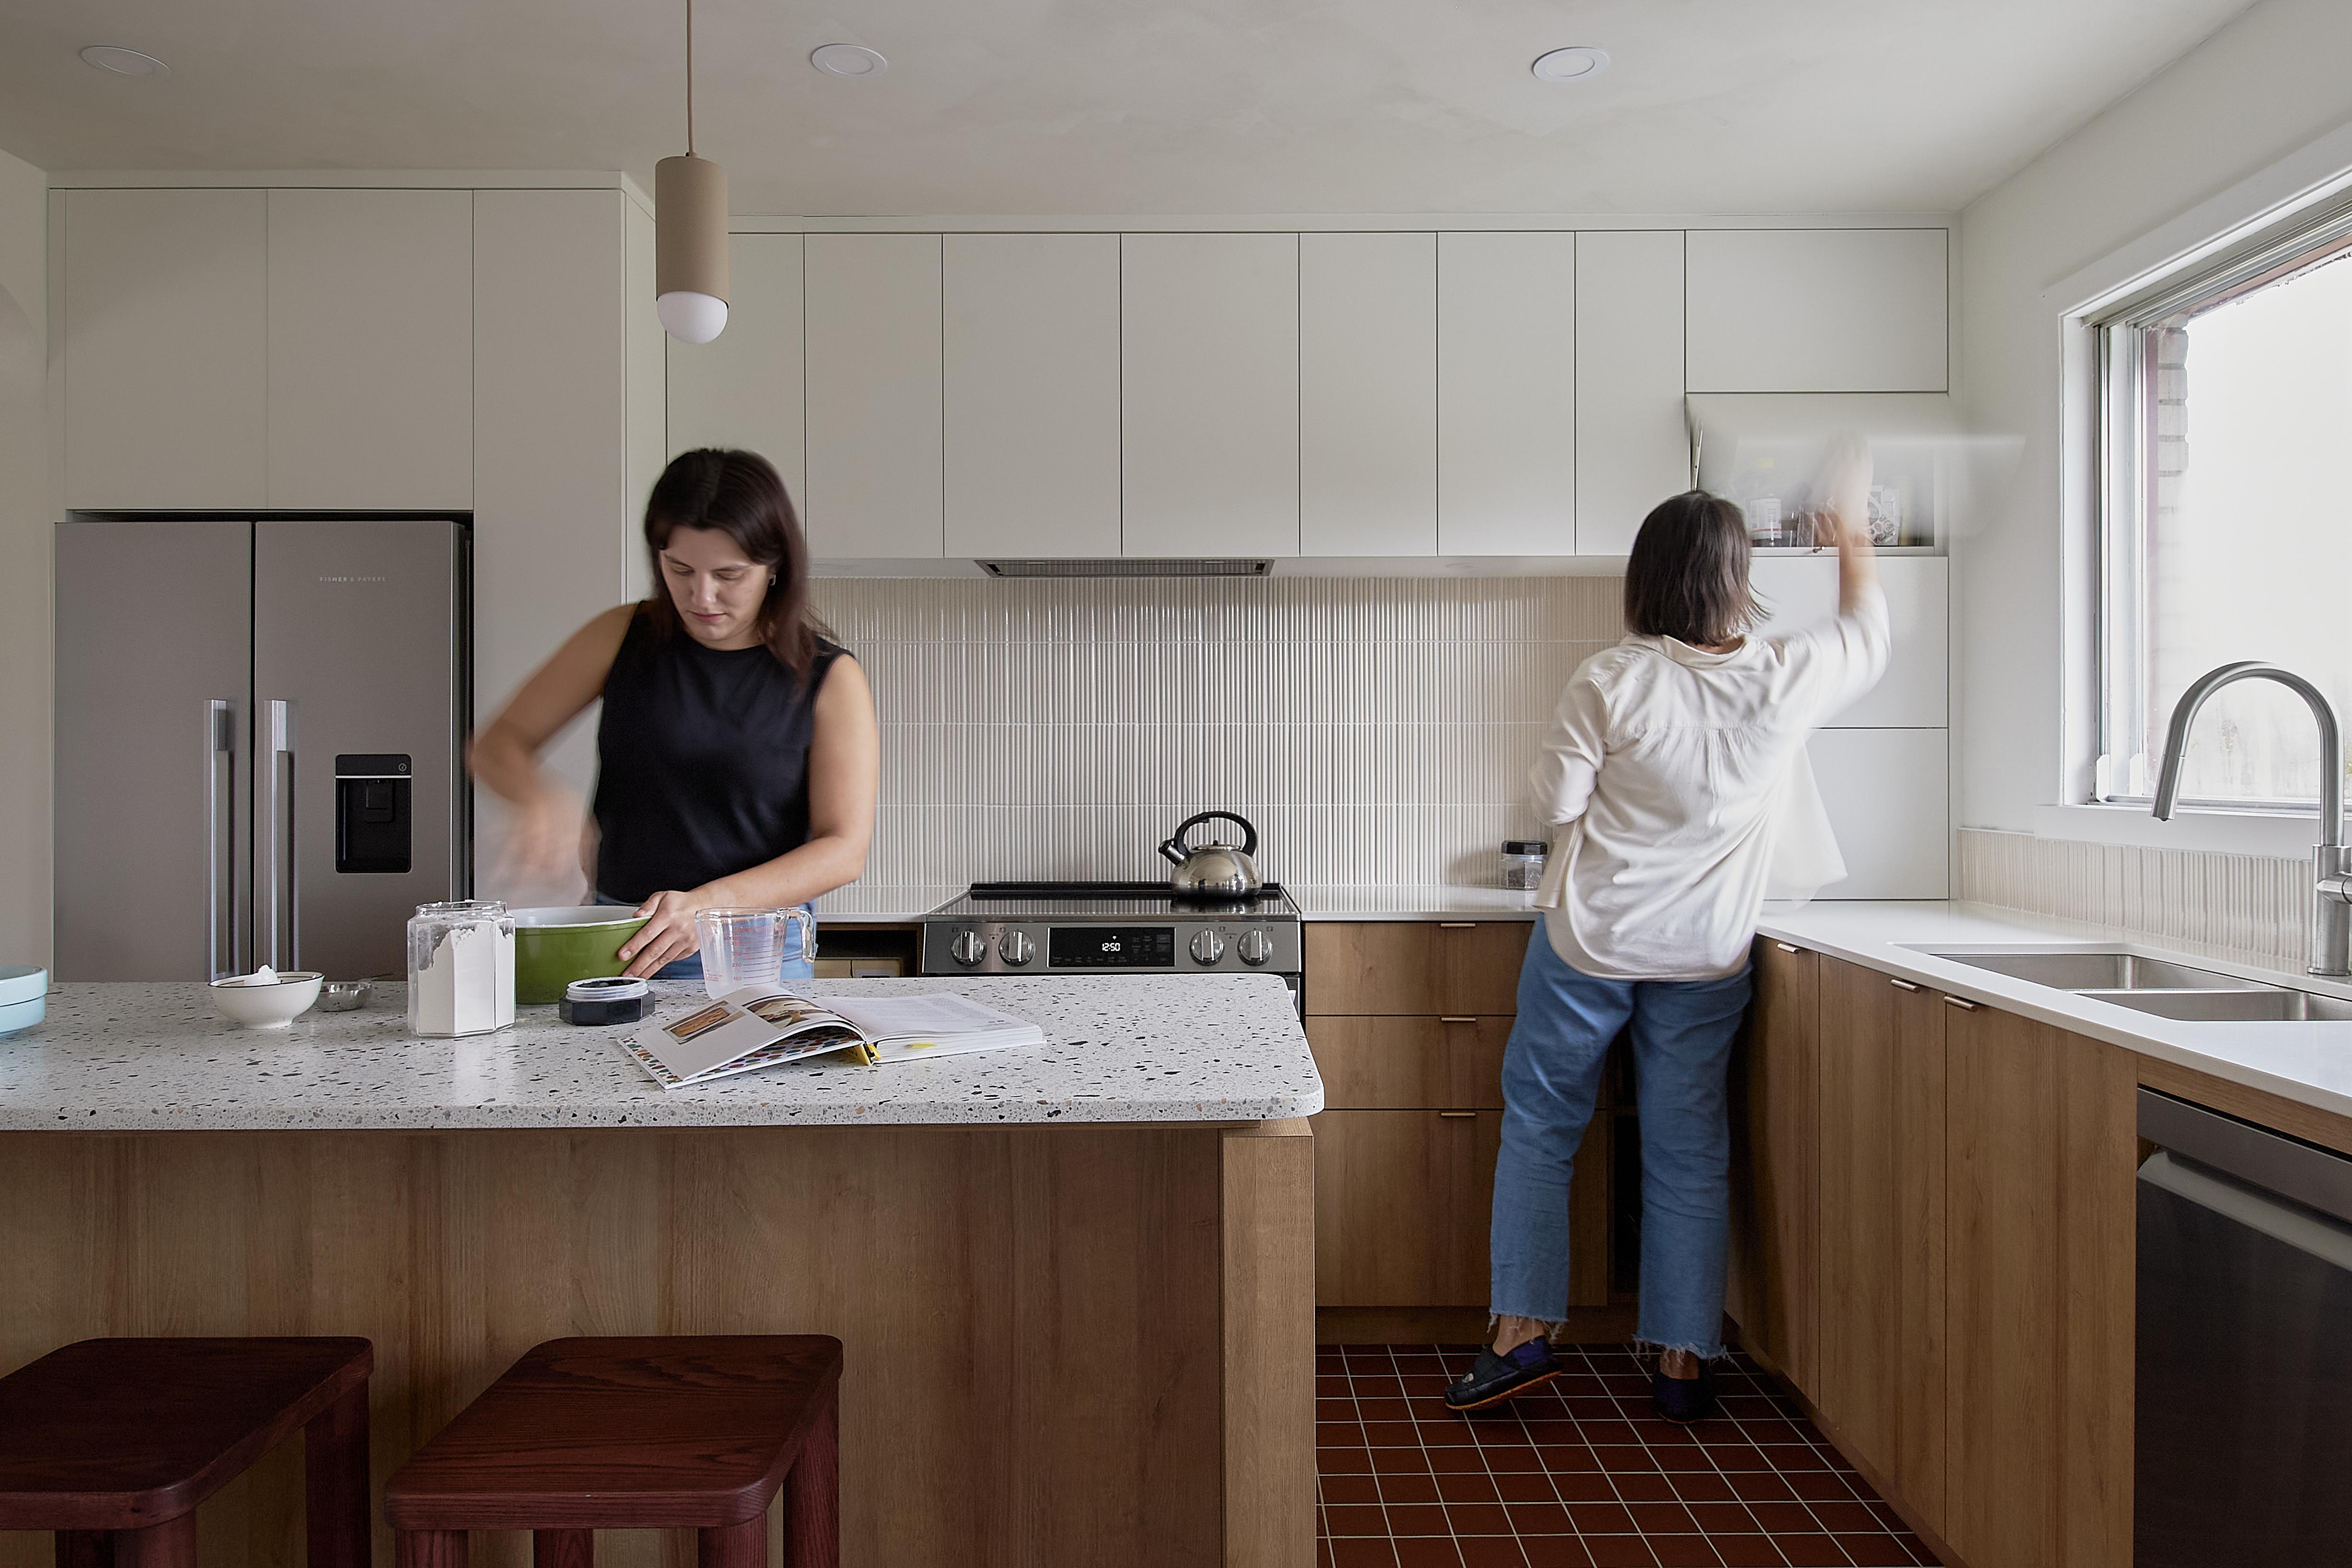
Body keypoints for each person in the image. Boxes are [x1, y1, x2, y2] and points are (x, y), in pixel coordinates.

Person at [1444, 440, 1886, 1423]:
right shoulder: (1783, 677)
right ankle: (1680, 1362)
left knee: (1542, 1127)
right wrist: (1848, 528)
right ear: (1738, 581)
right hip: (1704, 956)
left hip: (1588, 946)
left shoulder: (1609, 678)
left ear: (1642, 579)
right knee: (1686, 1148)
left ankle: (1520, 1339)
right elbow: (1865, 631)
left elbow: (1553, 799)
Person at [471, 448, 879, 981]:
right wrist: (540, 797)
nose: (701, 595)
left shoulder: (829, 677)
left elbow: (843, 848)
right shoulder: (621, 636)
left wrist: (705, 906)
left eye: (728, 574)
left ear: (775, 564)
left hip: (754, 951)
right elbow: (498, 743)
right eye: (679, 568)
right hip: (619, 937)